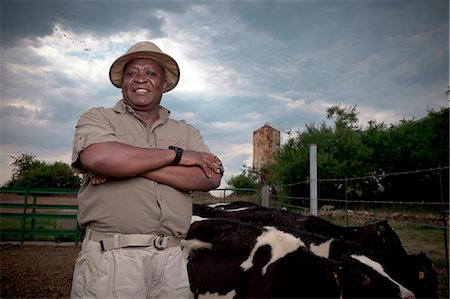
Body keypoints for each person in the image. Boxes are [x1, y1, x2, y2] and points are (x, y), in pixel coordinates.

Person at [70, 41, 223, 298]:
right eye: (131, 73)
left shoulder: (185, 130)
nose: (140, 78)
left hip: (172, 259)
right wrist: (178, 156)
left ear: (164, 84)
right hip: (113, 258)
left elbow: (210, 177)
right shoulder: (98, 117)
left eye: (151, 73)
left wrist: (127, 166)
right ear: (122, 83)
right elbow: (98, 157)